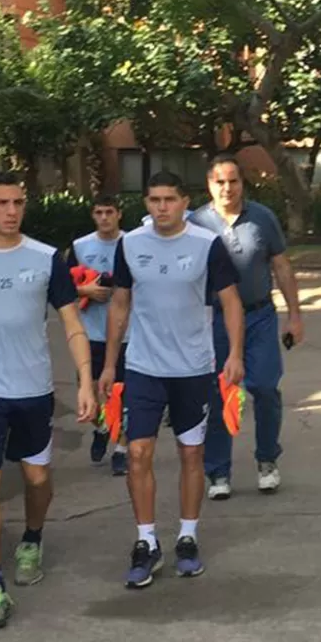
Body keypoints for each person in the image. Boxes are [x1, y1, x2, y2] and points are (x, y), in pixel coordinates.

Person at [0, 171, 97, 631]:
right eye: (2, 203)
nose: (12, 211)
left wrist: (86, 380)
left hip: (33, 389)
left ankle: (32, 537)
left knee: (37, 478)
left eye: (19, 202)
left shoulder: (47, 258)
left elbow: (71, 323)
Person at [99, 171, 244, 589]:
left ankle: (186, 537)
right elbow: (120, 305)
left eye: (169, 199)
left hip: (193, 369)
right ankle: (146, 541)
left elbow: (231, 301)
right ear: (145, 203)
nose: (162, 207)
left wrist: (233, 354)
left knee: (191, 454)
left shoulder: (206, 244)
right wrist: (110, 365)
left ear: (184, 202)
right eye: (154, 200)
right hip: (144, 367)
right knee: (139, 453)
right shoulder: (130, 245)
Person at [190, 155, 304, 499]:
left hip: (259, 316)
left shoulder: (262, 218)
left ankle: (267, 460)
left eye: (233, 181)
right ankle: (218, 472)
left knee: (265, 387)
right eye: (220, 182)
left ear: (243, 183)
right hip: (213, 320)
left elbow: (282, 267)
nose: (227, 188)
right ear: (209, 185)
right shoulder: (196, 223)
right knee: (216, 393)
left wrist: (295, 316)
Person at [69, 194, 129, 476]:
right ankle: (103, 428)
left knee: (122, 394)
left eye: (109, 212)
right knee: (89, 394)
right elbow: (63, 287)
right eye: (98, 212)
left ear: (119, 214)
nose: (104, 218)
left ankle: (122, 448)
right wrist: (86, 291)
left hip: (127, 333)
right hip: (90, 331)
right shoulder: (80, 246)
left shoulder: (134, 243)